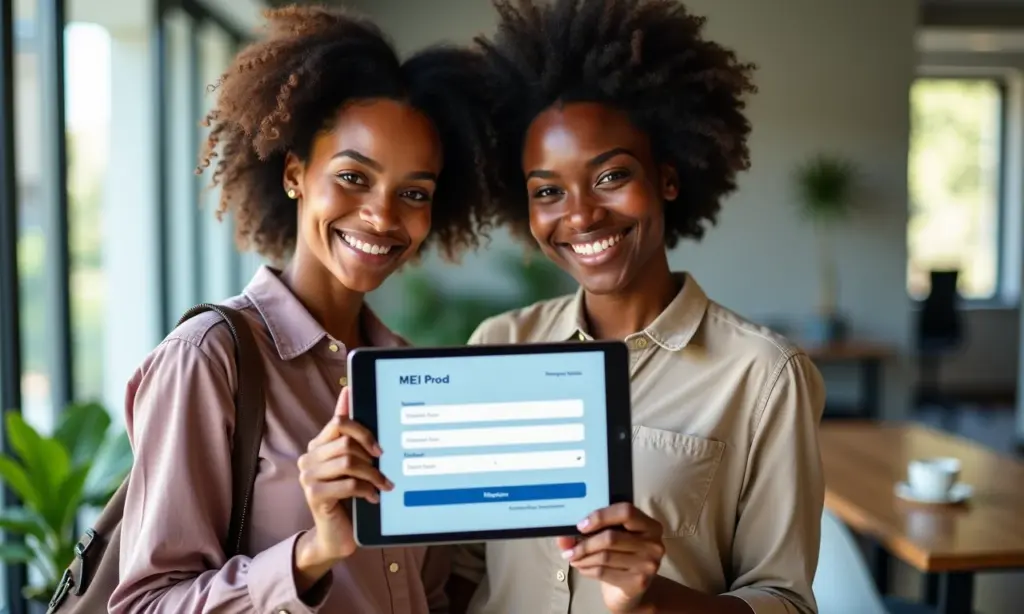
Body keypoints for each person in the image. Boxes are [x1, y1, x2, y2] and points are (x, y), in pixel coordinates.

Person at [110, 6, 499, 613]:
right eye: (353, 177)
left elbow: (428, 594)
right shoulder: (209, 359)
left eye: (414, 193)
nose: (381, 215)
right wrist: (312, 551)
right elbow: (145, 604)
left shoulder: (408, 372)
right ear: (295, 173)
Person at [449, 1, 826, 613]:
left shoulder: (764, 377)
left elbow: (785, 602)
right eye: (548, 190)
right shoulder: (497, 344)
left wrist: (651, 597)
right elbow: (465, 567)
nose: (580, 215)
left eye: (610, 176)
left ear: (667, 180)